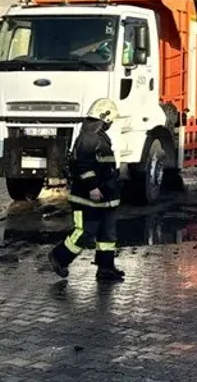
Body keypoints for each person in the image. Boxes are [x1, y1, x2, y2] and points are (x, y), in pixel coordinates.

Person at [48, 98, 125, 282]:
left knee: (107, 235)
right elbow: (80, 165)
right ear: (105, 118)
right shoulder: (89, 138)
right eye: (110, 120)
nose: (111, 124)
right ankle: (59, 257)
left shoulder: (96, 136)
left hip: (105, 198)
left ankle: (106, 268)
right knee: (84, 232)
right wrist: (92, 186)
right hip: (87, 199)